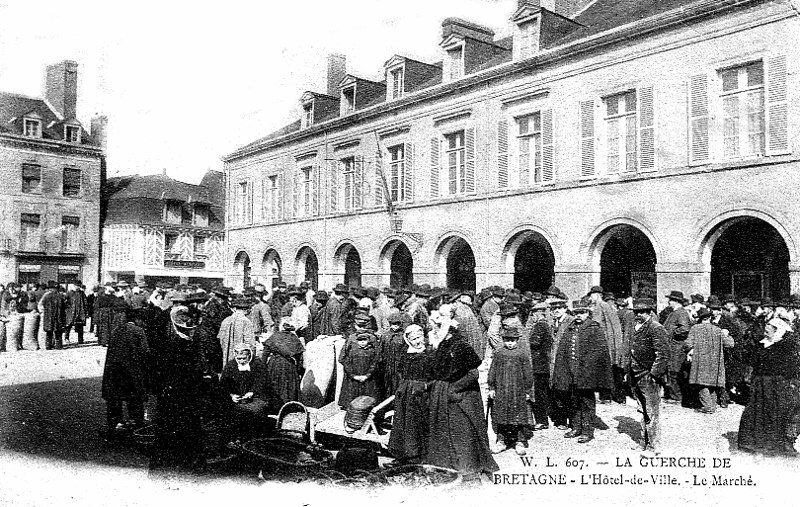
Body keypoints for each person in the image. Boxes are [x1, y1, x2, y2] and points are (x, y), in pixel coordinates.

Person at [426, 304, 498, 479]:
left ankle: (468, 467)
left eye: (437, 327)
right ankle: (448, 465)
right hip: (446, 395)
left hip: (462, 396)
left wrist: (454, 390)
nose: (434, 331)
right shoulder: (441, 344)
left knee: (463, 432)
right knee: (446, 431)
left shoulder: (460, 345)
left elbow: (473, 372)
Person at [149, 305, 206, 475]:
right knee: (187, 434)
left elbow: (157, 376)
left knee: (167, 435)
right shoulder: (191, 348)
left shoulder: (169, 347)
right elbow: (195, 375)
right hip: (187, 399)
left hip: (170, 399)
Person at [552, 299, 613, 444]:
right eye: (576, 313)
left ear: (588, 313)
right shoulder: (570, 328)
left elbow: (599, 353)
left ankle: (587, 431)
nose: (579, 315)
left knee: (586, 402)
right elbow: (563, 351)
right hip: (571, 373)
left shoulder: (594, 328)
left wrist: (587, 369)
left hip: (586, 374)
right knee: (573, 401)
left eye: (582, 312)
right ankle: (575, 427)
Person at [738, 317, 800, 455]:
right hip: (760, 384)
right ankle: (753, 443)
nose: (765, 334)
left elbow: (791, 368)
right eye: (765, 331)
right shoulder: (762, 344)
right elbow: (753, 361)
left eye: (768, 332)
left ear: (778, 332)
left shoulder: (786, 346)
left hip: (777, 386)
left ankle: (776, 444)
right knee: (756, 412)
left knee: (774, 413)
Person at [101, 303, 149, 440]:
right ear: (137, 319)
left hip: (114, 371)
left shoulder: (116, 330)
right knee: (134, 398)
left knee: (115, 399)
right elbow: (145, 352)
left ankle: (114, 425)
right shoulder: (139, 331)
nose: (144, 323)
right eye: (143, 321)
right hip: (131, 372)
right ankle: (137, 425)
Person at [628, 298, 670, 455]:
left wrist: (653, 374)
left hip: (648, 376)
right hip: (636, 374)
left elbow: (663, 354)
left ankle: (653, 446)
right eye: (637, 312)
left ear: (650, 312)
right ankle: (643, 442)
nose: (639, 314)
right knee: (642, 410)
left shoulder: (655, 327)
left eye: (643, 312)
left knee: (652, 412)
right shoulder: (636, 327)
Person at [387, 324, 431, 464]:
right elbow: (400, 372)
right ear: (408, 340)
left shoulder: (430, 352)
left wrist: (424, 386)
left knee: (419, 424)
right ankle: (403, 455)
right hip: (406, 393)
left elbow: (435, 375)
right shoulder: (406, 354)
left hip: (423, 394)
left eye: (419, 337)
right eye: (413, 339)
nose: (417, 341)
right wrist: (402, 387)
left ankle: (419, 457)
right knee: (403, 423)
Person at [488, 327, 533, 456]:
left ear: (517, 340)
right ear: (503, 340)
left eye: (512, 340)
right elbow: (493, 371)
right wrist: (491, 387)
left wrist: (527, 390)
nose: (510, 343)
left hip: (517, 392)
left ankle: (519, 441)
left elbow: (528, 374)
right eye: (507, 340)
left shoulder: (522, 354)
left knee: (518, 417)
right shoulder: (499, 354)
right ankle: (501, 441)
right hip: (502, 391)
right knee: (501, 416)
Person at [684, 307, 734, 414]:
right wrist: (727, 334)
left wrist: (690, 350)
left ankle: (708, 406)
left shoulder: (695, 328)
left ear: (700, 318)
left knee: (702, 383)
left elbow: (687, 344)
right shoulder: (718, 330)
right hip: (715, 361)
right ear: (710, 318)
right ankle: (712, 405)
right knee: (713, 383)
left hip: (700, 360)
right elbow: (730, 344)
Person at [219, 341, 269, 443]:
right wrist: (231, 395)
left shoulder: (258, 364)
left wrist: (252, 392)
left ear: (249, 356)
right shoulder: (230, 366)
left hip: (256, 397)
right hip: (237, 398)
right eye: (239, 359)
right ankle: (233, 439)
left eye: (244, 358)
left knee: (255, 411)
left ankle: (253, 440)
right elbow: (223, 385)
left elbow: (263, 381)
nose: (241, 361)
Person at [587, 286, 624, 403]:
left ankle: (607, 396)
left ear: (597, 295)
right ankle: (610, 396)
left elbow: (603, 325)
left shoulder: (602, 306)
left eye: (592, 295)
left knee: (607, 370)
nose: (590, 297)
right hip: (605, 344)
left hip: (605, 344)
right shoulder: (602, 307)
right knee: (608, 369)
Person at [338, 312, 381, 408]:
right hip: (352, 377)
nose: (361, 329)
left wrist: (367, 375)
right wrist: (352, 374)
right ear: (355, 325)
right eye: (359, 326)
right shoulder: (351, 338)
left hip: (369, 377)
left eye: (364, 326)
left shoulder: (373, 339)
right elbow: (342, 357)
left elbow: (378, 357)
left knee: (368, 404)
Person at [261, 317, 305, 411]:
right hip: (289, 366)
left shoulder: (274, 336)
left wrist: (263, 368)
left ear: (281, 326)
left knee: (275, 387)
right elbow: (300, 358)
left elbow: (265, 354)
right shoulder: (294, 338)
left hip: (274, 365)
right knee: (288, 388)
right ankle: (288, 408)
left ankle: (274, 408)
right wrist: (299, 371)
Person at [527, 302, 553, 430]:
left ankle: (542, 420)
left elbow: (534, 342)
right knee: (541, 392)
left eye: (534, 314)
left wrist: (524, 339)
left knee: (538, 394)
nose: (532, 316)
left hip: (538, 365)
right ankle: (542, 419)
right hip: (542, 364)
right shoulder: (545, 325)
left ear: (539, 313)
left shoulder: (540, 326)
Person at [662, 290, 691, 404]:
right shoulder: (675, 312)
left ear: (676, 301)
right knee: (672, 371)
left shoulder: (681, 312)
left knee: (674, 372)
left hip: (677, 348)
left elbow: (685, 329)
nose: (669, 302)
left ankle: (677, 397)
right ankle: (673, 395)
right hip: (673, 347)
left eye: (671, 300)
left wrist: (672, 333)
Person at [217, 296, 256, 372]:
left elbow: (220, 339)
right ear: (245, 309)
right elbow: (250, 343)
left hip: (226, 356)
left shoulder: (225, 320)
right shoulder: (246, 322)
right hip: (241, 357)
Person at [379, 312, 412, 398]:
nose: (395, 326)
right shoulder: (385, 336)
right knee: (387, 383)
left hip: (399, 365)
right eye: (393, 324)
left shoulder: (404, 336)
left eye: (397, 324)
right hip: (387, 365)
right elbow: (381, 351)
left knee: (398, 383)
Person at [38, 281, 65, 350]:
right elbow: (64, 306)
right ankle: (58, 346)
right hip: (58, 316)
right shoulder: (60, 296)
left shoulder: (46, 296)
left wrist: (43, 312)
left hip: (48, 316)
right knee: (58, 332)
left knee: (49, 332)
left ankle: (48, 346)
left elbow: (40, 305)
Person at [94, 283, 118, 347]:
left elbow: (96, 306)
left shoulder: (99, 298)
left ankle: (101, 341)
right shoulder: (109, 298)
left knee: (101, 327)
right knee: (107, 327)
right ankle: (105, 341)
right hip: (108, 313)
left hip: (101, 313)